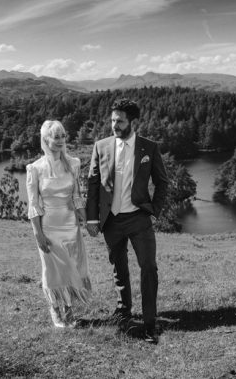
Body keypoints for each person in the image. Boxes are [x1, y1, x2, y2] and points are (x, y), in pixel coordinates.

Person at [86, 97, 169, 344]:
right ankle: (124, 313)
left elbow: (162, 182)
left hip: (139, 218)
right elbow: (92, 183)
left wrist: (155, 209)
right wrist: (92, 218)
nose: (115, 125)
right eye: (112, 120)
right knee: (118, 269)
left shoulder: (149, 147)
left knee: (149, 268)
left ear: (132, 122)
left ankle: (150, 321)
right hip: (111, 221)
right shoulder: (101, 146)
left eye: (120, 121)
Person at [26, 119, 92, 328]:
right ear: (46, 140)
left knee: (72, 268)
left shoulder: (73, 163)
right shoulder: (34, 168)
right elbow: (33, 204)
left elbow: (77, 197)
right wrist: (38, 233)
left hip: (71, 226)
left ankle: (69, 311)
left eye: (63, 136)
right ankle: (54, 310)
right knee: (52, 270)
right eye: (56, 137)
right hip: (48, 228)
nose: (61, 140)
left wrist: (87, 221)